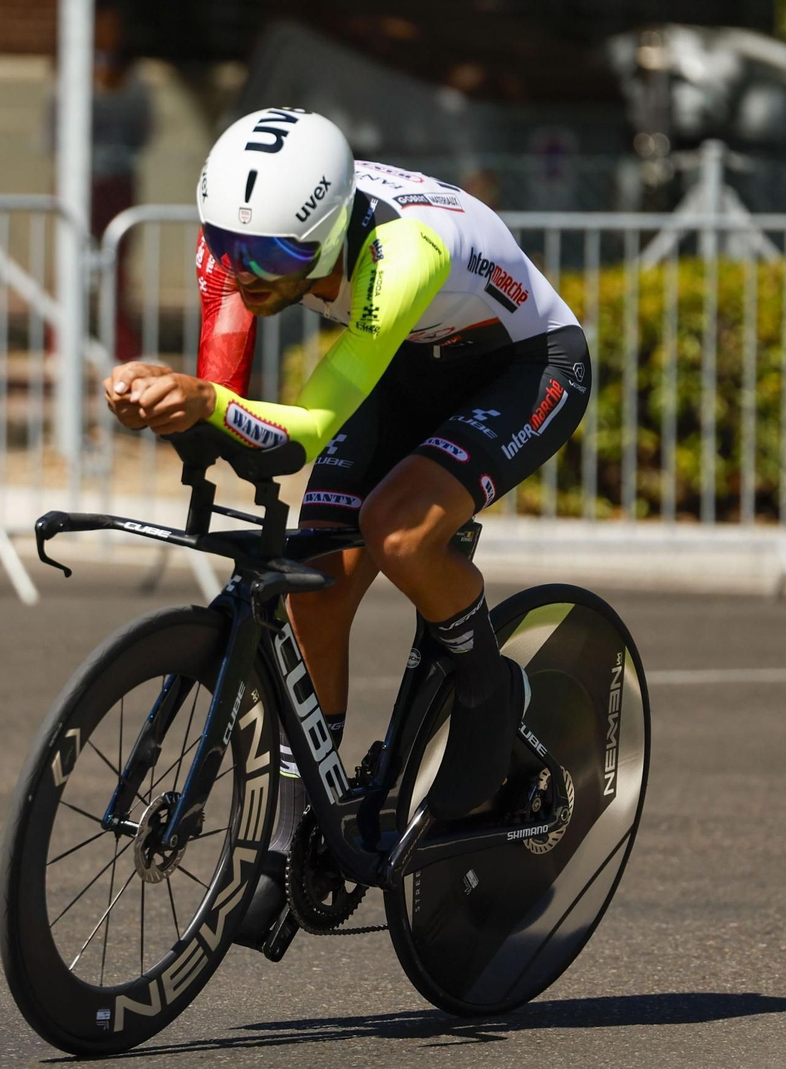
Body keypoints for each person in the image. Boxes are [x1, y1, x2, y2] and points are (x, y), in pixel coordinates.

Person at [102, 107, 589, 932]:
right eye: (229, 249)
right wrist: (172, 403)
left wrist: (207, 403)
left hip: (521, 366)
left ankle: (486, 692)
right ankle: (296, 837)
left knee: (399, 531)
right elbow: (230, 384)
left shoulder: (405, 252)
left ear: (328, 233)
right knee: (315, 589)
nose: (247, 271)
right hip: (404, 360)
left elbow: (308, 427)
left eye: (278, 257)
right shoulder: (238, 232)